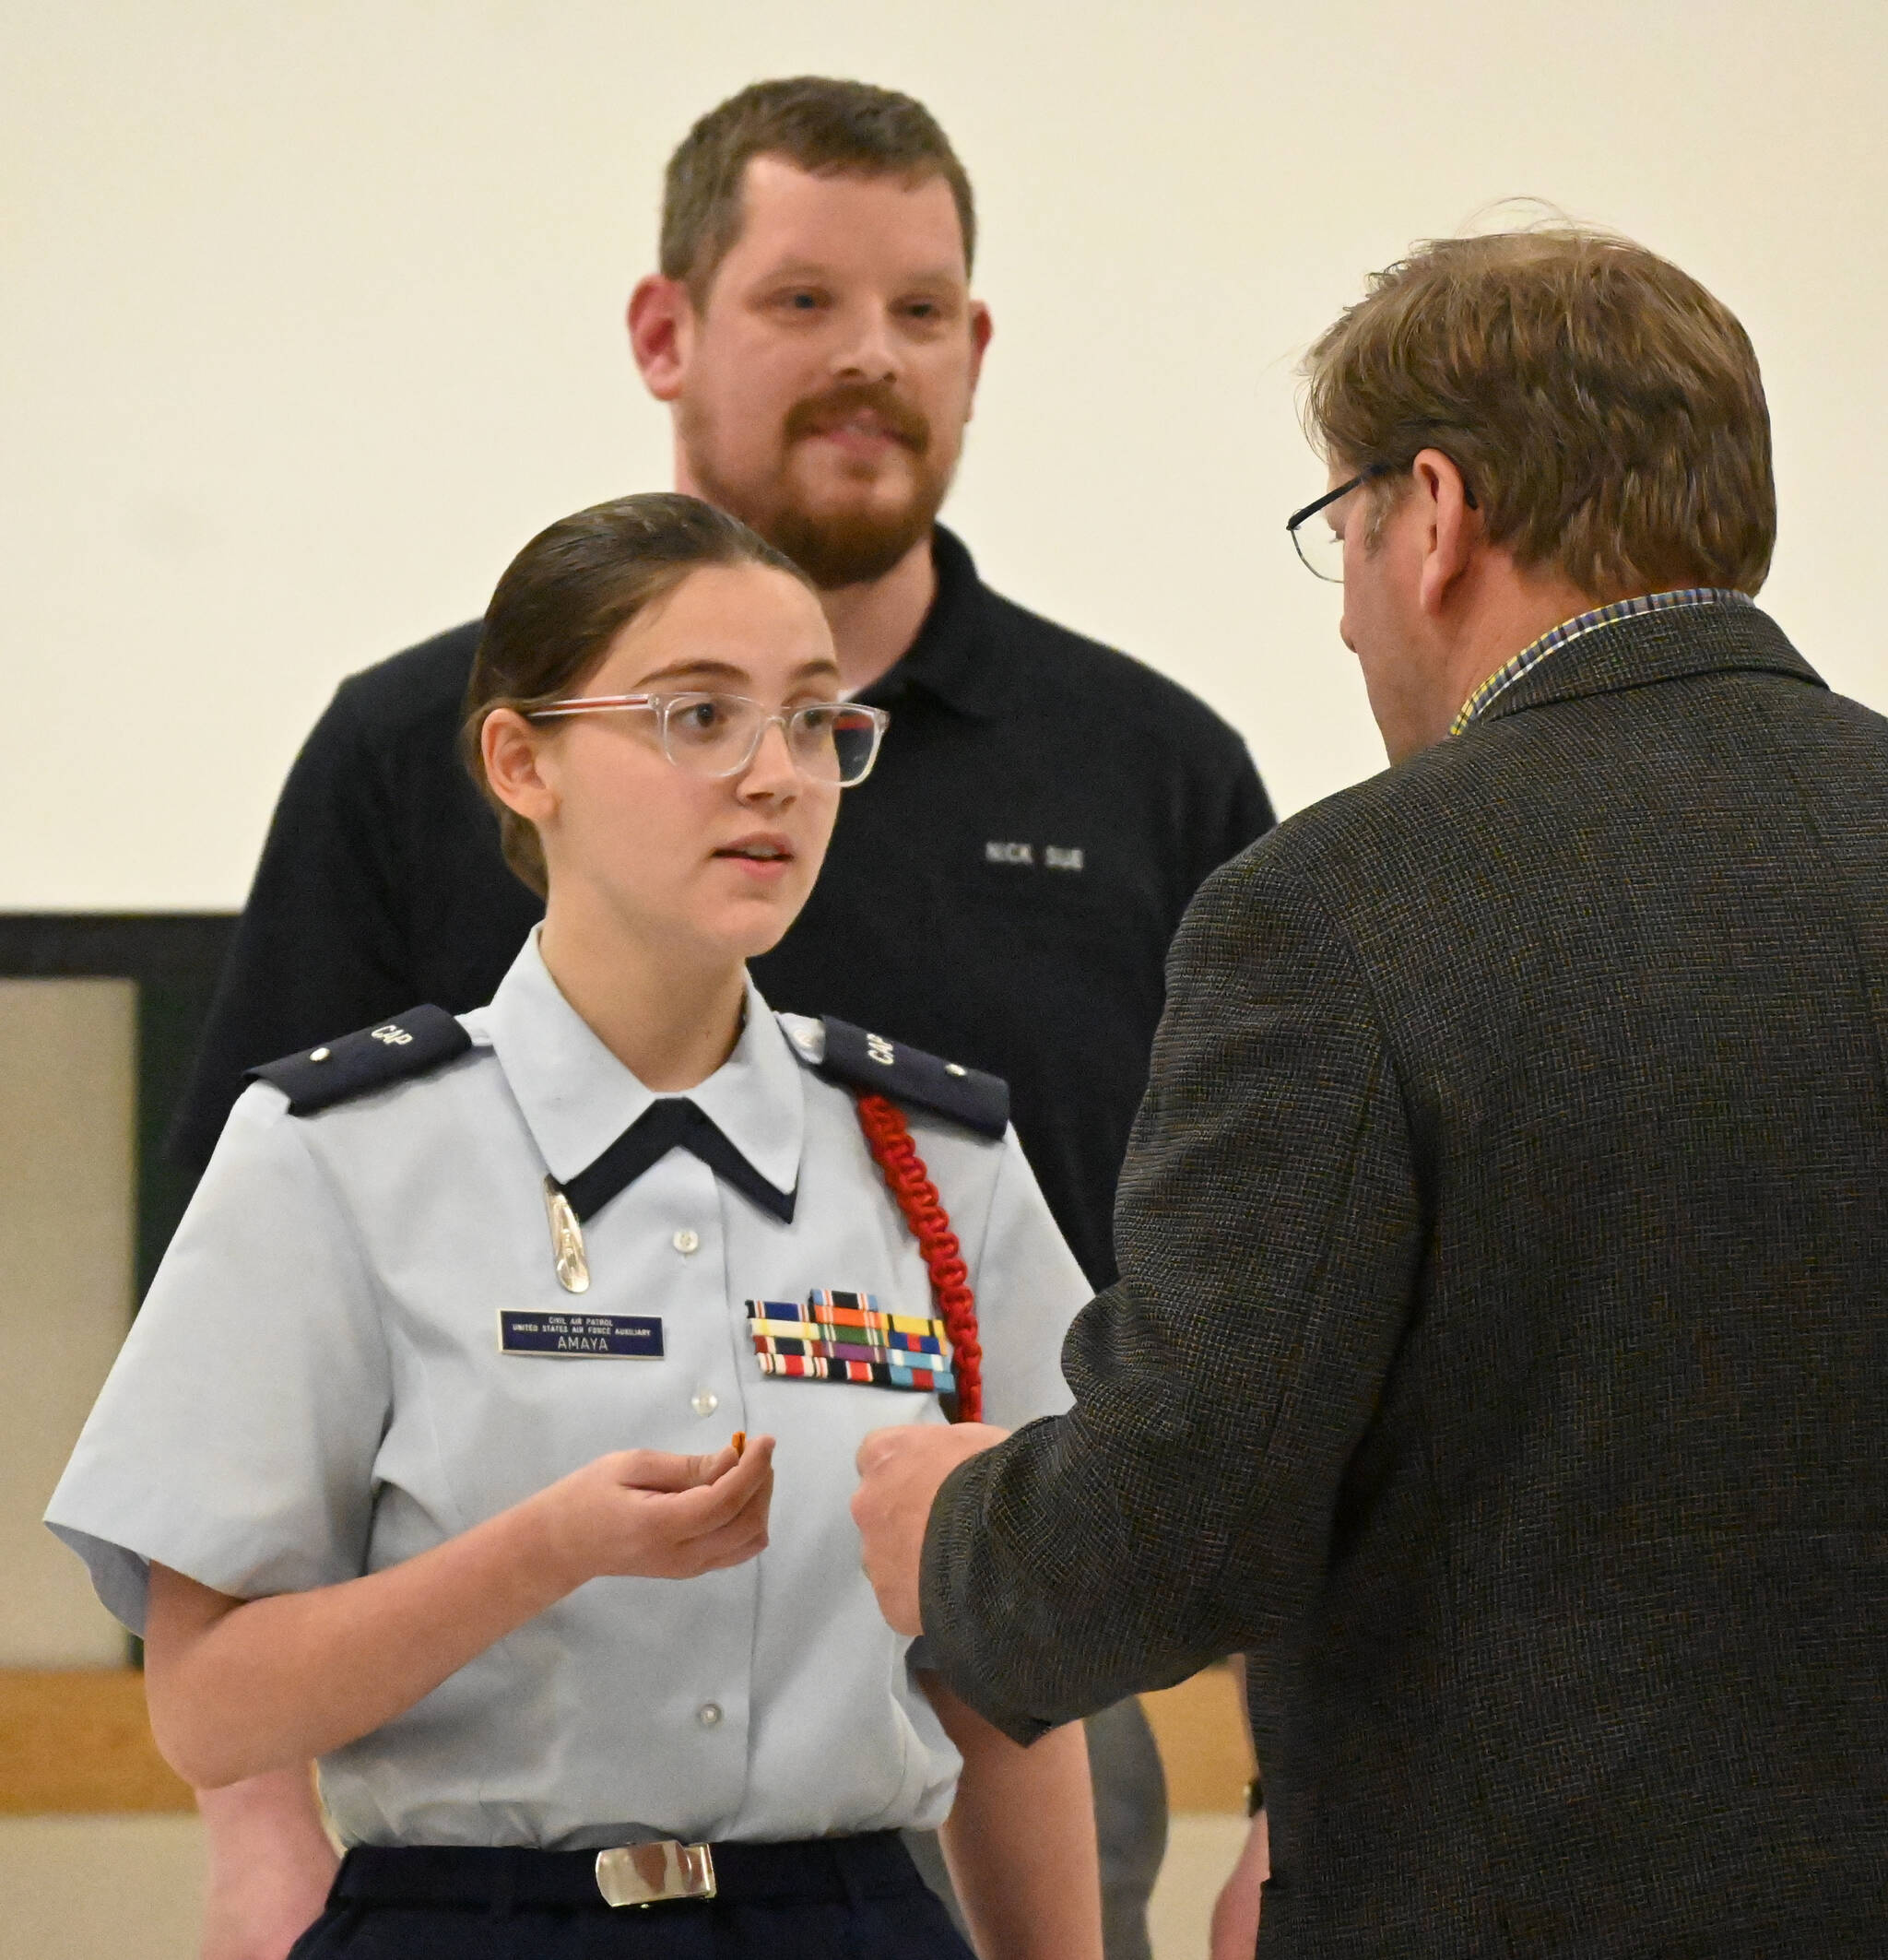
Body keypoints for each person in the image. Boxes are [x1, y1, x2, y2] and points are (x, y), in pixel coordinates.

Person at [166, 77, 1269, 1960]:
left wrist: (1293, 1775)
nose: (870, 359)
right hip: (480, 1825)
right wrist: (267, 1835)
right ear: (666, 328)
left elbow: (1265, 1334)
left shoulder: (1152, 772)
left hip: (967, 1740)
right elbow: (243, 1418)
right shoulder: (402, 755)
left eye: (921, 311)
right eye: (802, 302)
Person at [852, 226, 1888, 1955]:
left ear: (1435, 512)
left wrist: (951, 1534)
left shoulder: (1337, 915)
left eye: (1339, 532)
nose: (1343, 607)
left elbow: (1182, 1527)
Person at [49, 493, 1102, 1960]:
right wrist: (541, 1550)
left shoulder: (940, 1161)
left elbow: (1011, 1673)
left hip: (851, 1914)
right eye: (696, 716)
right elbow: (208, 1703)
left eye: (812, 723)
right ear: (520, 758)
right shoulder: (338, 1156)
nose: (776, 777)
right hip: (475, 1917)